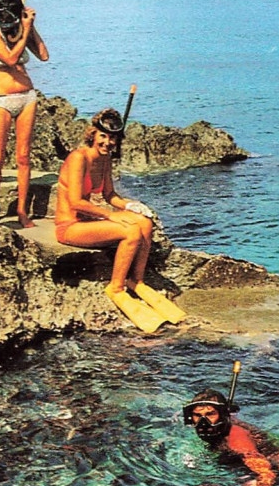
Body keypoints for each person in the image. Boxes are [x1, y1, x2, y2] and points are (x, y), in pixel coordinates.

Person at [55, 108, 184, 332]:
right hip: (70, 226)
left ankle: (137, 281)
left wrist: (130, 205)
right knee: (131, 231)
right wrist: (111, 215)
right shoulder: (78, 158)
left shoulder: (105, 159)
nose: (108, 142)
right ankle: (116, 288)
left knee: (144, 223)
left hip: (87, 222)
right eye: (103, 136)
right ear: (92, 135)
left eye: (112, 138)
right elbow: (75, 202)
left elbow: (109, 195)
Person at [0, 0, 49, 227]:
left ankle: (21, 210)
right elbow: (9, 59)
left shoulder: (21, 30)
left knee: (23, 156)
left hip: (26, 97)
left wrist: (30, 26)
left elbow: (43, 55)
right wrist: (25, 30)